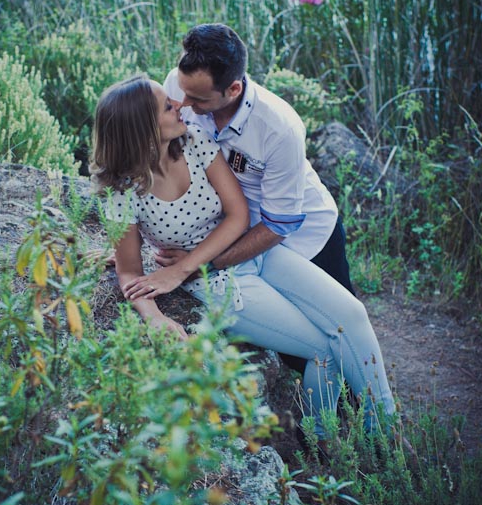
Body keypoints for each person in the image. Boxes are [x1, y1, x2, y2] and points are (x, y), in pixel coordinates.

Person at [91, 75, 396, 439]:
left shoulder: (194, 142)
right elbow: (129, 272)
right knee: (323, 350)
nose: (179, 104)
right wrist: (153, 316)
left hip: (252, 253)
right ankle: (323, 442)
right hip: (219, 286)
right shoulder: (123, 192)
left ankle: (389, 432)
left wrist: (190, 265)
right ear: (142, 128)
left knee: (352, 315)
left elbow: (239, 216)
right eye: (167, 106)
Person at [161, 23, 354, 293]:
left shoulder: (279, 128)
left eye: (198, 99)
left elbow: (278, 226)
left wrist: (199, 266)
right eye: (182, 92)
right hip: (233, 232)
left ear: (234, 89)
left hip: (304, 239)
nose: (183, 104)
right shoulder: (180, 85)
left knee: (338, 319)